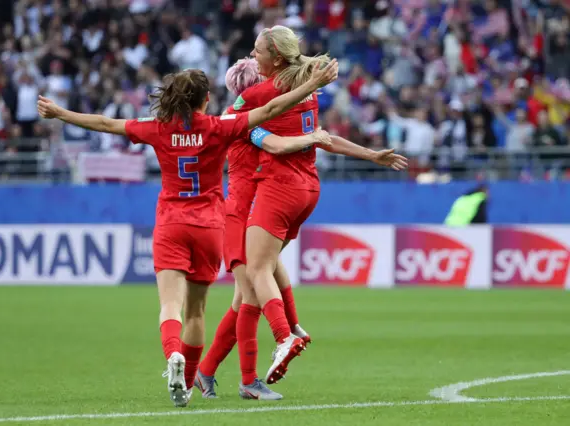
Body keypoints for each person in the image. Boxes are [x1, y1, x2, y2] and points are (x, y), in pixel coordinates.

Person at [36, 62, 339, 407]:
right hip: (209, 225)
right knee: (197, 312)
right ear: (206, 99)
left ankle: (173, 359)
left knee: (170, 306)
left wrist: (60, 112)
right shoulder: (218, 127)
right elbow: (270, 109)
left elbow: (105, 124)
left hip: (171, 223)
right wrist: (313, 82)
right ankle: (192, 379)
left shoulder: (158, 128)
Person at [194, 57, 408, 400]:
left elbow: (319, 137)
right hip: (241, 214)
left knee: (246, 297)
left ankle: (210, 371)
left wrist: (363, 153)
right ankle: (252, 374)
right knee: (249, 295)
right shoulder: (245, 122)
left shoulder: (257, 115)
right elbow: (282, 144)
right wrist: (311, 135)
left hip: (253, 210)